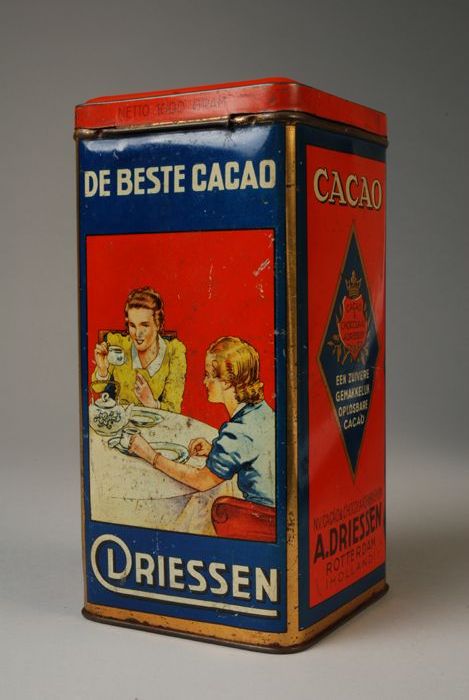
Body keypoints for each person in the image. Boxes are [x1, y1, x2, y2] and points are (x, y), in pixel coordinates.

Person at [129, 336, 275, 506]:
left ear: (226, 382)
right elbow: (249, 452)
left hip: (258, 515)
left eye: (208, 375)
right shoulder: (261, 411)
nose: (205, 382)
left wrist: (150, 455)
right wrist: (214, 451)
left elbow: (201, 480)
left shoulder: (237, 431)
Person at [93, 287, 186, 413]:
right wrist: (102, 370)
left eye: (144, 325)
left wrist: (152, 403)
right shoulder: (118, 345)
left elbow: (174, 409)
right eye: (132, 325)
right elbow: (97, 389)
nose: (137, 334)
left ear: (158, 324)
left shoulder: (174, 352)